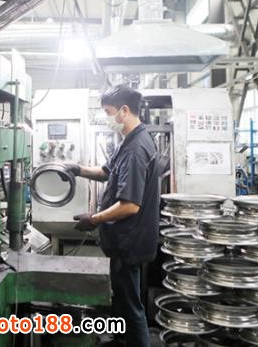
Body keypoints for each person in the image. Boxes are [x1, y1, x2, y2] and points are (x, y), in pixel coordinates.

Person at [66, 85, 163, 347]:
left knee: (131, 307)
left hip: (130, 241)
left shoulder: (135, 150)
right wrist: (77, 169)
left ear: (124, 111)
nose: (107, 118)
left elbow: (130, 206)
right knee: (122, 298)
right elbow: (106, 171)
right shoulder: (129, 141)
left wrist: (94, 219)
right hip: (124, 240)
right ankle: (122, 342)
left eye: (108, 112)